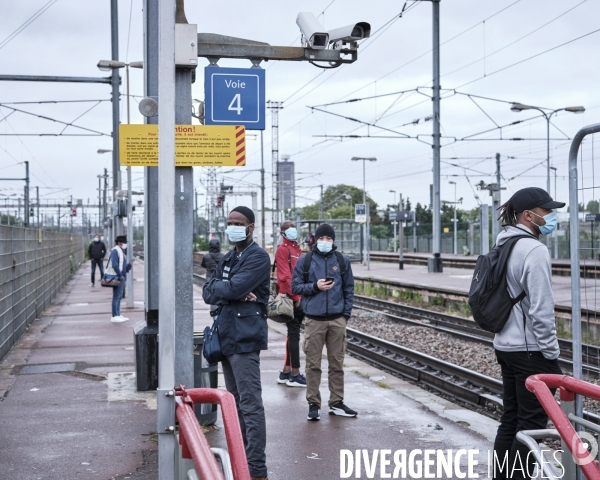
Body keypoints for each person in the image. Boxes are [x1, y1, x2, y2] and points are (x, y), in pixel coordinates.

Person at [493, 187, 564, 479]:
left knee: (510, 418)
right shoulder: (534, 250)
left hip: (505, 346)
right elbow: (541, 309)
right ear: (528, 215)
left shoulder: (502, 245)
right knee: (531, 423)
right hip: (531, 351)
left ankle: (503, 476)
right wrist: (551, 353)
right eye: (547, 212)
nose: (551, 216)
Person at [202, 206, 270, 480]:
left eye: (238, 223)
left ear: (250, 227)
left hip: (245, 338)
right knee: (235, 402)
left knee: (250, 404)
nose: (233, 226)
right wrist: (232, 292)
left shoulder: (258, 257)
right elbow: (209, 291)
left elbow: (228, 288)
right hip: (227, 337)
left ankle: (256, 469)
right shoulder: (229, 256)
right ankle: (241, 458)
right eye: (229, 222)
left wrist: (230, 290)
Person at [291, 223, 356, 421]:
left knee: (337, 364)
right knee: (313, 365)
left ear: (333, 240)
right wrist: (315, 286)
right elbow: (295, 286)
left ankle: (336, 402)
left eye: (329, 238)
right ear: (315, 240)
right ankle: (313, 403)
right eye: (322, 238)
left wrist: (345, 315)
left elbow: (349, 289)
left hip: (337, 320)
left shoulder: (342, 261)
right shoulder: (306, 261)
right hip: (314, 320)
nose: (325, 242)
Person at [275, 220, 306, 387]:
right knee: (294, 334)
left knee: (291, 335)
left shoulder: (296, 249)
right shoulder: (283, 250)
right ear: (282, 233)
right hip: (291, 298)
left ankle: (286, 372)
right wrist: (296, 298)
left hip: (298, 295)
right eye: (288, 229)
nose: (292, 231)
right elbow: (285, 277)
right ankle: (295, 374)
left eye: (293, 229)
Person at [105, 235, 131, 324]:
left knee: (119, 296)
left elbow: (121, 264)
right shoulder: (115, 251)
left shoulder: (120, 251)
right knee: (116, 296)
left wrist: (126, 268)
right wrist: (120, 275)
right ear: (120, 243)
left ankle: (118, 314)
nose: (125, 244)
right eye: (124, 243)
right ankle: (114, 315)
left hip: (121, 276)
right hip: (118, 276)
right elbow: (115, 265)